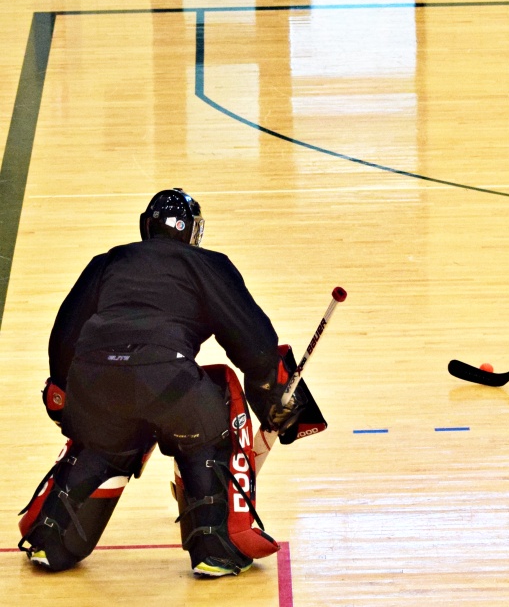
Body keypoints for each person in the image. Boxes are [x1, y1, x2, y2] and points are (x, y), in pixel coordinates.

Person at [18, 189, 308, 578]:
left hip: (95, 380)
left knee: (102, 441)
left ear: (146, 227)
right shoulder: (208, 264)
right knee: (213, 405)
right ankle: (215, 547)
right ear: (193, 233)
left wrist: (63, 396)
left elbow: (65, 334)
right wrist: (271, 395)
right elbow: (252, 342)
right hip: (168, 379)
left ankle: (50, 537)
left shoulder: (109, 261)